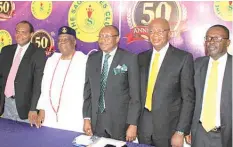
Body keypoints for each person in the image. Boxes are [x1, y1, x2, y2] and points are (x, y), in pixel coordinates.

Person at [137, 18, 195, 147]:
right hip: (143, 124)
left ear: (169, 34)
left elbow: (188, 99)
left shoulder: (183, 58)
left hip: (169, 126)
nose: (155, 35)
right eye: (151, 31)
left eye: (160, 31)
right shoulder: (141, 57)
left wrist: (180, 131)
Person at [83, 25, 141, 142]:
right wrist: (87, 118)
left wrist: (133, 124)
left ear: (117, 39)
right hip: (96, 121)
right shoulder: (92, 58)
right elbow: (88, 92)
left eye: (107, 36)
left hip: (119, 123)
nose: (103, 40)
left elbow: (135, 96)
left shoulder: (129, 58)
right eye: (101, 36)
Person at [185, 25, 232, 147]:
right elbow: (190, 98)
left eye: (216, 38)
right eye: (208, 38)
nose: (211, 42)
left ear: (228, 42)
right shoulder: (198, 64)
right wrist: (188, 128)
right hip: (199, 133)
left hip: (226, 136)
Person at [36, 26, 87, 132]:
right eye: (59, 40)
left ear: (74, 42)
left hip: (74, 117)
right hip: (50, 114)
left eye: (66, 39)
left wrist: (87, 119)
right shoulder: (51, 60)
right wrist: (41, 109)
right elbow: (44, 87)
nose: (62, 42)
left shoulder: (84, 61)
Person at [0, 20, 46, 125]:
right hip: (6, 104)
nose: (19, 35)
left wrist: (34, 108)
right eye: (17, 32)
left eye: (23, 32)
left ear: (31, 34)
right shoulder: (6, 50)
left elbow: (38, 84)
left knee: (25, 139)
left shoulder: (38, 53)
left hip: (26, 108)